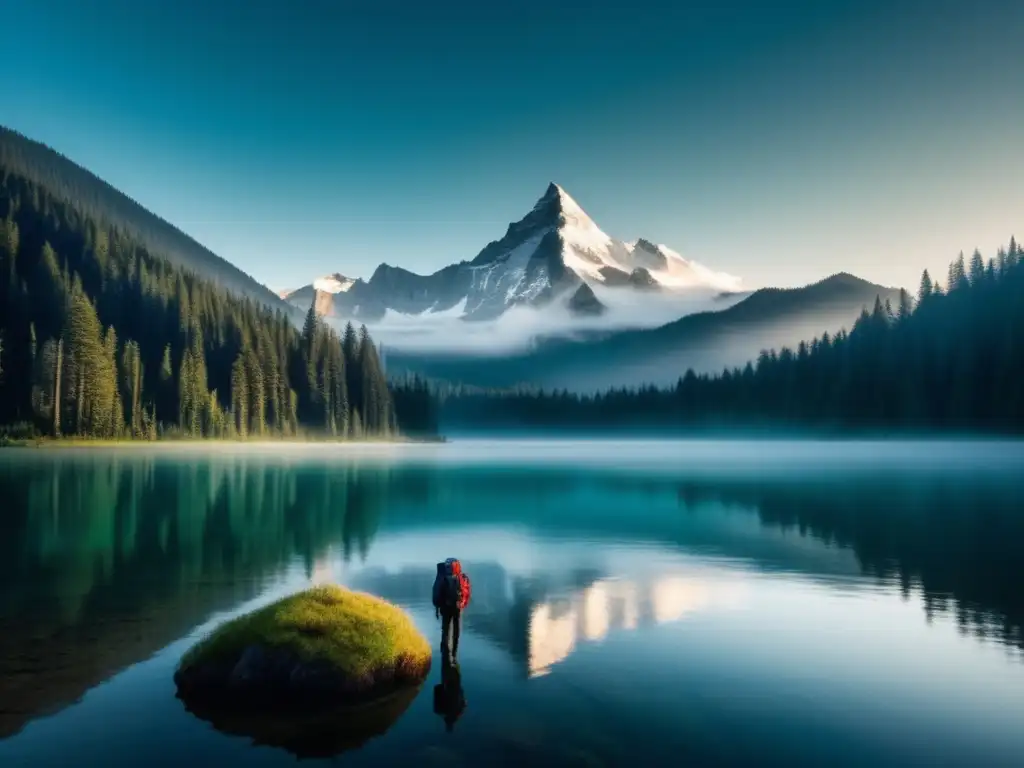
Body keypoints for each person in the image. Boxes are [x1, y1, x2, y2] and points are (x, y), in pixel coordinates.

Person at [432, 557, 471, 663]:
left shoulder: (443, 577)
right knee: (456, 631)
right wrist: (461, 603)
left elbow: (438, 593)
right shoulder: (460, 577)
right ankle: (453, 654)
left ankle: (445, 652)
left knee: (445, 630)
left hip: (445, 608)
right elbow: (464, 592)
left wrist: (437, 608)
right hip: (457, 608)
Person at [432, 655, 466, 733]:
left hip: (451, 686)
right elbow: (463, 703)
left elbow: (464, 703)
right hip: (452, 685)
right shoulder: (455, 714)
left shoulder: (455, 714)